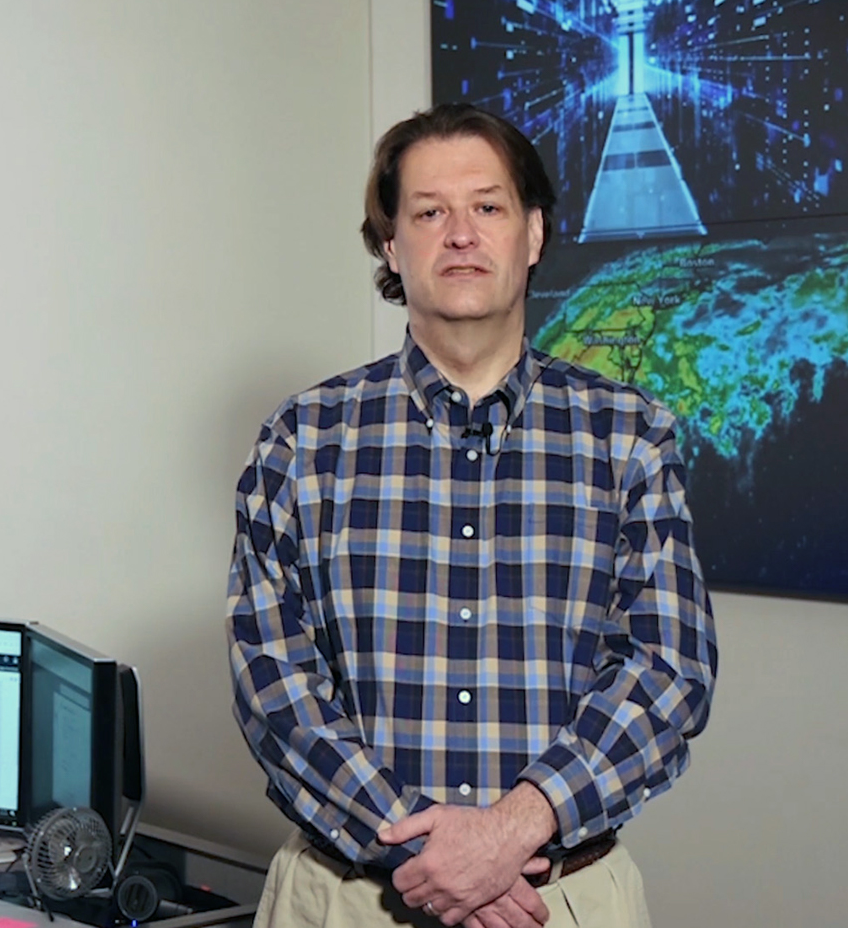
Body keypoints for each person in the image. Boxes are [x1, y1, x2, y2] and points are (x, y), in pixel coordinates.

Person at [227, 104, 718, 928]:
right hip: (346, 902)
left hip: (559, 902)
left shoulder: (627, 434)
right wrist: (428, 852)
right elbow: (272, 684)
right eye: (428, 212)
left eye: (486, 207)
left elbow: (668, 670)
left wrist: (509, 829)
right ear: (391, 245)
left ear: (531, 234)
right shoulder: (302, 438)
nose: (459, 234)